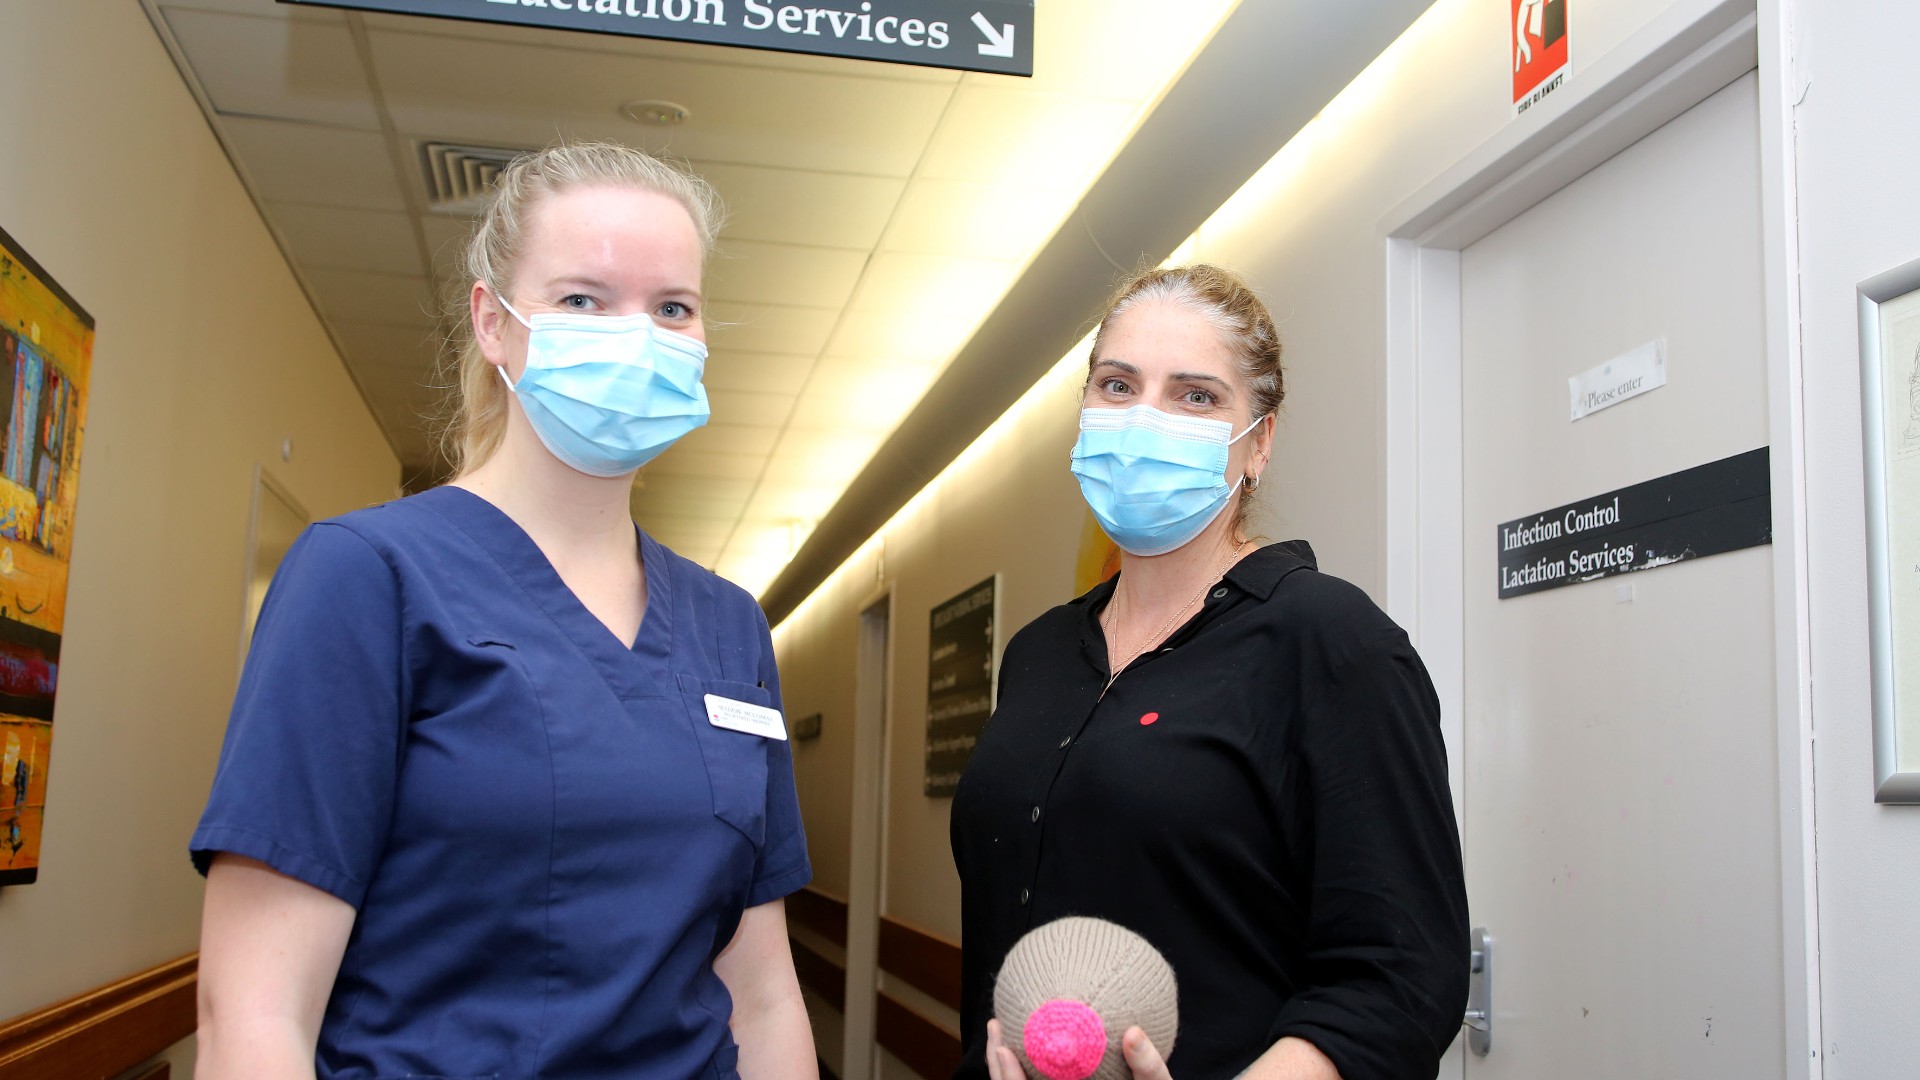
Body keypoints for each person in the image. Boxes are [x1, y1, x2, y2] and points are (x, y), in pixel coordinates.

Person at [190, 142, 816, 1080]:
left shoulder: (730, 625)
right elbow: (253, 1013)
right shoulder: (366, 578)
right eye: (583, 300)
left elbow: (762, 997)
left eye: (672, 308)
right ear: (494, 322)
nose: (635, 335)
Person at [950, 265, 1468, 1080]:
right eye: (1117, 385)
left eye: (1195, 397)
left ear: (1258, 442)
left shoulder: (1329, 642)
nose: (1144, 418)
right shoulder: (1040, 653)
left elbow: (1398, 977)